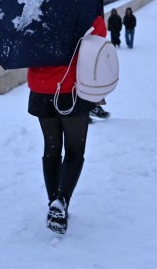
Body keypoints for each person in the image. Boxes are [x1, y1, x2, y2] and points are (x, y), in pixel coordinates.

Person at [27, 15, 105, 234]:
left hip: (41, 89)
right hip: (70, 89)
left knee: (51, 149)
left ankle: (54, 202)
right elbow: (99, 36)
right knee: (74, 149)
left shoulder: (34, 7)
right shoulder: (80, 5)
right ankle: (61, 202)